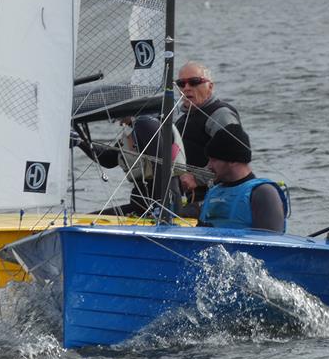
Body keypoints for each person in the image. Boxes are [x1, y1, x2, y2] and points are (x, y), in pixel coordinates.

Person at [76, 115, 185, 216]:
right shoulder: (134, 130)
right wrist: (80, 141)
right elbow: (108, 159)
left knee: (88, 221)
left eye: (117, 116)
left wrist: (161, 207)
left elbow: (161, 165)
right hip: (143, 205)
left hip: (162, 206)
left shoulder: (146, 124)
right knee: (89, 218)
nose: (118, 122)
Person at [174, 61, 241, 215]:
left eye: (194, 82)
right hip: (194, 198)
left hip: (223, 197)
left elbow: (234, 160)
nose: (186, 88)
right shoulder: (181, 121)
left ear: (210, 86)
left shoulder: (220, 115)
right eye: (181, 84)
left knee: (170, 219)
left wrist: (196, 179)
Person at [198, 124, 287, 233]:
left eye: (214, 160)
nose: (209, 166)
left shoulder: (263, 193)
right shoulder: (213, 192)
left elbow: (271, 243)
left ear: (233, 161)